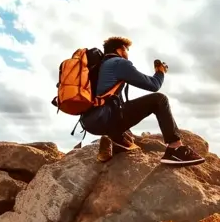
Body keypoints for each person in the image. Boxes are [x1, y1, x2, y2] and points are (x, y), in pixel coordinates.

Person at [80, 36, 205, 166]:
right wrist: (160, 72)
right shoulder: (118, 63)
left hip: (89, 121)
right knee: (159, 99)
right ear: (121, 49)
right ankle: (175, 148)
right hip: (106, 118)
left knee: (121, 111)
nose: (127, 53)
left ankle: (115, 140)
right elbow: (153, 85)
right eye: (127, 49)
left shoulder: (98, 66)